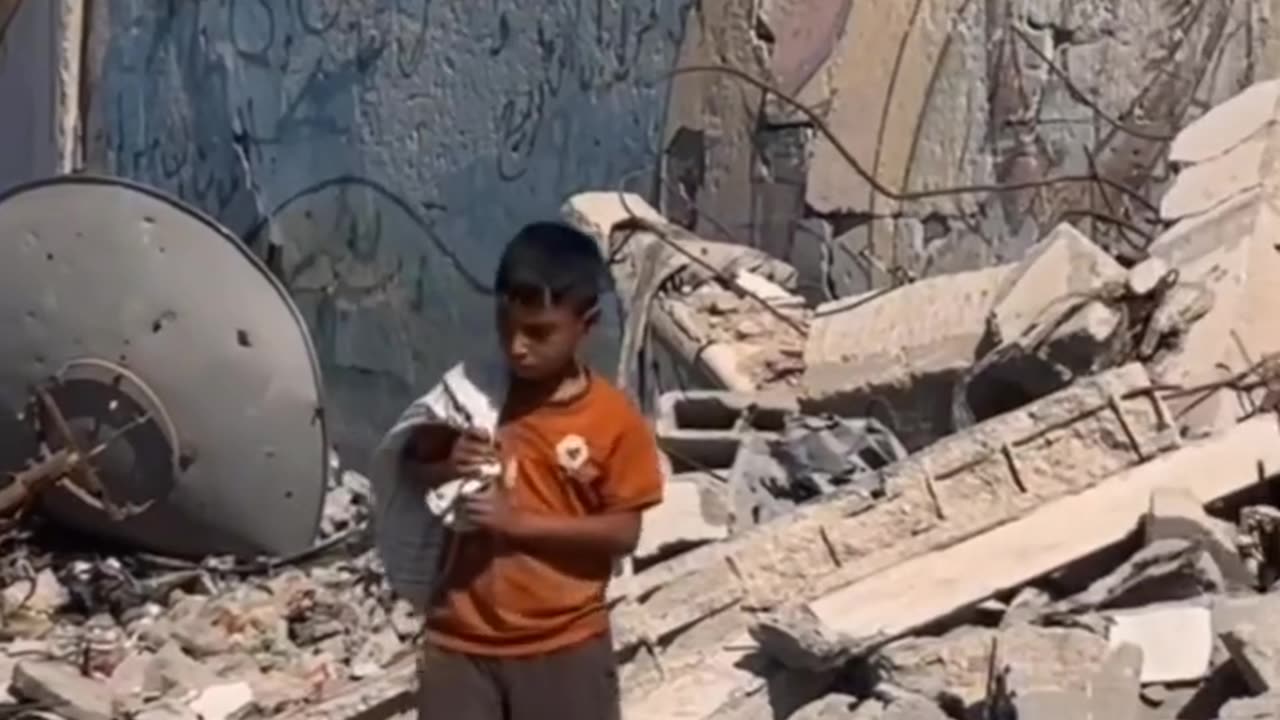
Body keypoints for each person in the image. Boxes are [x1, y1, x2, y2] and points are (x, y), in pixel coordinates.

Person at [409, 221, 664, 720]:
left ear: (585, 325)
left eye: (539, 333)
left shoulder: (612, 421)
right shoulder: (472, 397)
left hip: (562, 645)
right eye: (507, 329)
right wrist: (445, 463)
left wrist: (517, 524)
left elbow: (624, 533)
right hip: (460, 644)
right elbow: (411, 470)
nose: (518, 347)